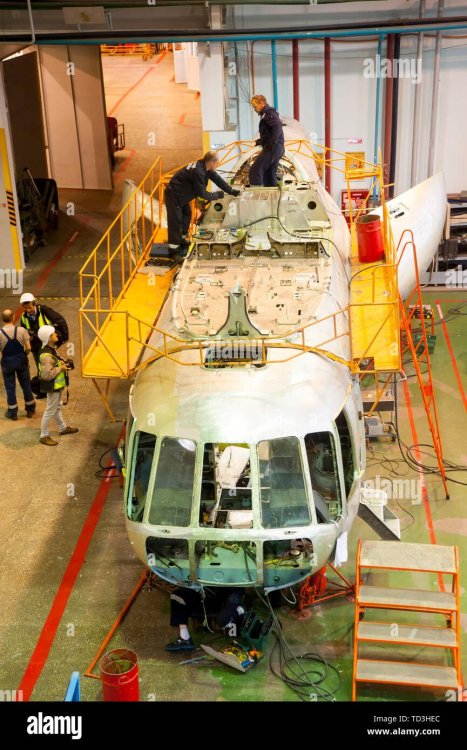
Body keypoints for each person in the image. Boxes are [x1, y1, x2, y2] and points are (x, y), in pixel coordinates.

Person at [165, 151, 241, 261]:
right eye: (217, 163)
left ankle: (181, 240)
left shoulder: (206, 168)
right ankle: (174, 251)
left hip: (183, 195)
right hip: (174, 194)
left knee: (187, 215)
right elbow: (203, 194)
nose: (218, 165)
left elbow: (218, 180)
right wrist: (218, 195)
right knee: (176, 222)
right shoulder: (198, 172)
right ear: (211, 162)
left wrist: (232, 191)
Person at [165, 586, 245, 652]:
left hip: (226, 597)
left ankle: (237, 613)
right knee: (177, 594)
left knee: (223, 621)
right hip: (206, 593)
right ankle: (185, 639)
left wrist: (234, 608)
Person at [37, 325, 78, 446]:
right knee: (50, 410)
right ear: (48, 338)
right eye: (54, 334)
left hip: (57, 385)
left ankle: (62, 428)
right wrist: (61, 368)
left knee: (57, 407)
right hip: (53, 386)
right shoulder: (47, 356)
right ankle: (44, 435)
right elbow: (46, 375)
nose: (56, 335)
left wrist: (62, 363)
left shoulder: (51, 349)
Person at [0, 309, 35, 420]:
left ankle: (13, 412)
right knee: (25, 384)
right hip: (21, 360)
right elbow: (28, 347)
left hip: (7, 362)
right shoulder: (21, 330)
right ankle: (30, 409)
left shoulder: (0, 333)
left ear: (2, 319)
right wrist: (24, 355)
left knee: (10, 388)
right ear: (14, 317)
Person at [19, 292, 69, 368]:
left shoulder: (44, 310)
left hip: (47, 344)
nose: (28, 310)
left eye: (30, 307)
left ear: (34, 304)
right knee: (40, 367)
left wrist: (65, 337)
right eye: (25, 308)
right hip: (35, 345)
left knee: (51, 365)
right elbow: (23, 332)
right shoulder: (23, 317)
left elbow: (60, 321)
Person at [249, 94, 285, 187]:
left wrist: (270, 145)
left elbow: (277, 127)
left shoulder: (269, 113)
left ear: (261, 103)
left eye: (255, 106)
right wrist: (261, 142)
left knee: (255, 171)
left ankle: (257, 197)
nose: (254, 109)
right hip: (278, 148)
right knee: (268, 174)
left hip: (274, 147)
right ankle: (272, 198)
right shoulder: (268, 114)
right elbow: (268, 133)